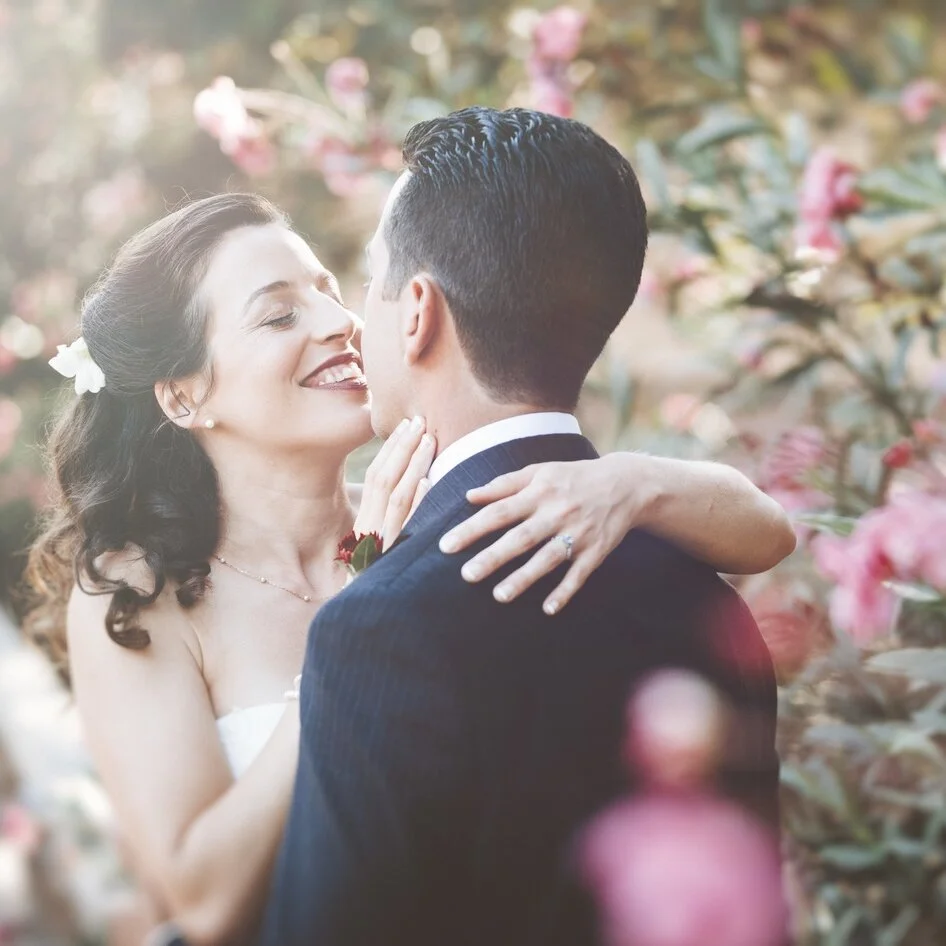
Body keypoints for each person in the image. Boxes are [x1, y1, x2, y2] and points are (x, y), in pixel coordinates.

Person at [25, 183, 790, 942]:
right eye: (281, 314)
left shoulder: (435, 504)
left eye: (331, 291)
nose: (340, 323)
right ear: (186, 396)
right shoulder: (137, 595)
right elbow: (204, 903)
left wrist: (630, 482)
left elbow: (764, 537)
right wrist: (349, 623)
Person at [263, 107, 784, 946]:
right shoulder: (704, 594)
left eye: (373, 281)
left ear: (418, 312)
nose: (359, 317)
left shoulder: (379, 626)